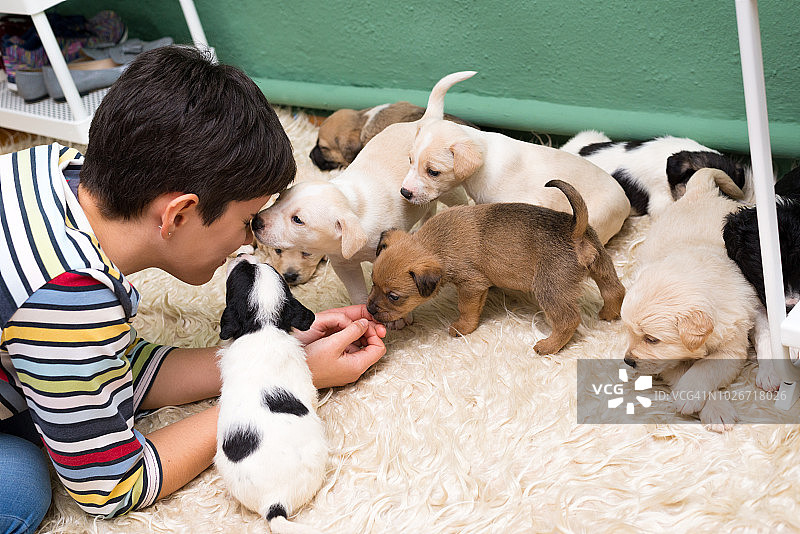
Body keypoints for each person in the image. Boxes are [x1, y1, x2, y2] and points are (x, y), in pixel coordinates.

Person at [0, 45, 387, 532]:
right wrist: (270, 394)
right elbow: (111, 486)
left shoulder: (50, 168)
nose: (252, 240)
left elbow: (111, 368)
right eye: (247, 222)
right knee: (19, 485)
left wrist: (279, 353)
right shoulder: (68, 296)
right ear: (179, 214)